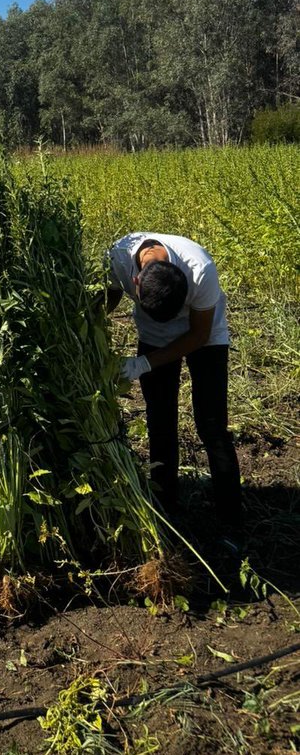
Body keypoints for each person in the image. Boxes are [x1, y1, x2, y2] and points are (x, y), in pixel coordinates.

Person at [106, 232, 242, 548]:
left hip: (205, 337)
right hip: (153, 335)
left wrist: (142, 365)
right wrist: (91, 322)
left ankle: (231, 522)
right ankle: (166, 507)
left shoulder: (200, 268)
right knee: (160, 420)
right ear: (136, 283)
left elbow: (198, 335)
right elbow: (111, 292)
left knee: (212, 427)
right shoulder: (118, 258)